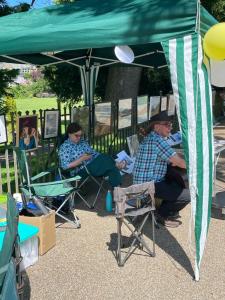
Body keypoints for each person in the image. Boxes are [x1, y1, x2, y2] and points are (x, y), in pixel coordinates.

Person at [133, 111, 190, 228]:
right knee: (188, 195)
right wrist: (197, 166)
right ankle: (160, 215)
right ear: (156, 126)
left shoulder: (152, 137)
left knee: (177, 183)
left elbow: (169, 158)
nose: (170, 127)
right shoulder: (157, 140)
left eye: (171, 125)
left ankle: (163, 208)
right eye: (167, 124)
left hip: (144, 183)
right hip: (147, 186)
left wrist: (173, 161)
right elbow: (180, 162)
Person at [59, 122, 122, 188]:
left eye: (80, 135)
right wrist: (81, 159)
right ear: (69, 134)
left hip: (93, 164)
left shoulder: (82, 142)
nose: (79, 138)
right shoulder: (65, 147)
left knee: (109, 164)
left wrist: (89, 155)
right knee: (107, 161)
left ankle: (117, 190)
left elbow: (93, 153)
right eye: (76, 135)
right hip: (82, 169)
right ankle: (116, 165)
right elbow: (65, 166)